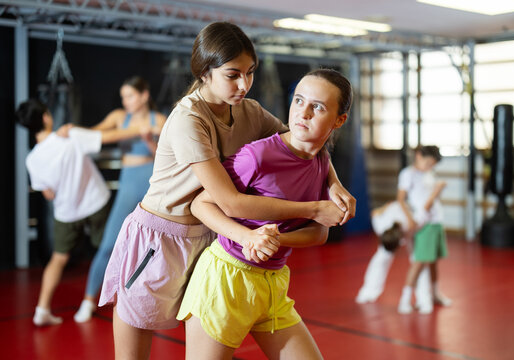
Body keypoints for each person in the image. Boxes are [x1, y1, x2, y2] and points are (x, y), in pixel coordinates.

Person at [98, 22, 355, 359]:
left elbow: (304, 144)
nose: (244, 84)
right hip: (160, 238)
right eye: (233, 75)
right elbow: (228, 202)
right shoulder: (189, 119)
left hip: (208, 235)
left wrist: (334, 183)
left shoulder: (248, 110)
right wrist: (311, 210)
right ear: (206, 72)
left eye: (249, 73)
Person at [178, 68, 352, 360]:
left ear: (339, 120)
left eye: (317, 107)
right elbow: (201, 204)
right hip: (227, 278)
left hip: (273, 284)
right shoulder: (258, 156)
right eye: (298, 100)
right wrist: (248, 237)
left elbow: (319, 232)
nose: (303, 113)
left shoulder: (321, 162)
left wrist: (275, 238)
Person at [15, 99, 144, 326]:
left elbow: (48, 194)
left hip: (66, 211)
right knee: (113, 250)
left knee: (58, 259)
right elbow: (109, 137)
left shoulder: (32, 159)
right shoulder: (69, 136)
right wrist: (143, 128)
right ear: (46, 117)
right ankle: (125, 307)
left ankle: (42, 309)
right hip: (95, 202)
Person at [73, 76, 167, 323]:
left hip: (151, 183)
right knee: (108, 244)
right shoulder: (118, 117)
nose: (126, 101)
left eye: (130, 96)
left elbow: (167, 157)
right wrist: (70, 130)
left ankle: (148, 300)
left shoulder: (158, 120)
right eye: (123, 96)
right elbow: (93, 134)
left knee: (153, 246)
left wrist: (148, 140)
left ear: (144, 95)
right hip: (128, 182)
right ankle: (88, 299)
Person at [396, 145, 452, 314]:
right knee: (419, 262)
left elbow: (430, 200)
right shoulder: (408, 174)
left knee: (433, 261)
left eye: (432, 164)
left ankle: (435, 294)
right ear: (419, 156)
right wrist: (410, 219)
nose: (430, 166)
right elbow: (401, 199)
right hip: (423, 222)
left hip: (436, 220)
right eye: (428, 162)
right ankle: (405, 299)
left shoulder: (429, 174)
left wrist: (436, 193)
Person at [354, 201, 432, 311]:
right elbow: (375, 212)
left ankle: (424, 300)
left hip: (410, 218)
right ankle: (368, 292)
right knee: (381, 258)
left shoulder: (411, 224)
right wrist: (386, 207)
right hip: (394, 215)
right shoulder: (379, 225)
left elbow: (423, 214)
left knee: (419, 261)